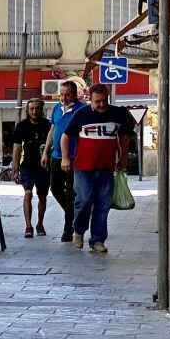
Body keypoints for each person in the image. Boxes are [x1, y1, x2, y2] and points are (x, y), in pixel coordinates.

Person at [60, 83, 135, 253]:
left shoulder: (117, 113)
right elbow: (65, 136)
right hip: (83, 168)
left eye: (103, 101)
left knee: (103, 205)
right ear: (90, 100)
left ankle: (97, 240)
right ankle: (78, 231)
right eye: (97, 102)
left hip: (107, 169)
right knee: (84, 200)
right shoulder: (82, 114)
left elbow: (124, 137)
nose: (101, 105)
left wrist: (123, 157)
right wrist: (65, 158)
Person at [42, 81, 87, 242]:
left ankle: (68, 231)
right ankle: (76, 215)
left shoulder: (82, 110)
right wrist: (46, 152)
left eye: (67, 94)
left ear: (75, 95)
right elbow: (52, 130)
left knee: (70, 194)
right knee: (55, 188)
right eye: (61, 94)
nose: (63, 97)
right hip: (56, 156)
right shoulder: (56, 108)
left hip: (74, 157)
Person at [11, 98, 52, 238]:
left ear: (42, 110)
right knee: (28, 193)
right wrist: (15, 168)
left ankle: (40, 224)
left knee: (42, 196)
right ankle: (28, 226)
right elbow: (17, 147)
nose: (35, 111)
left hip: (44, 167)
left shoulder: (48, 125)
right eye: (32, 109)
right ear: (27, 111)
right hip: (27, 166)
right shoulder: (21, 126)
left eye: (37, 108)